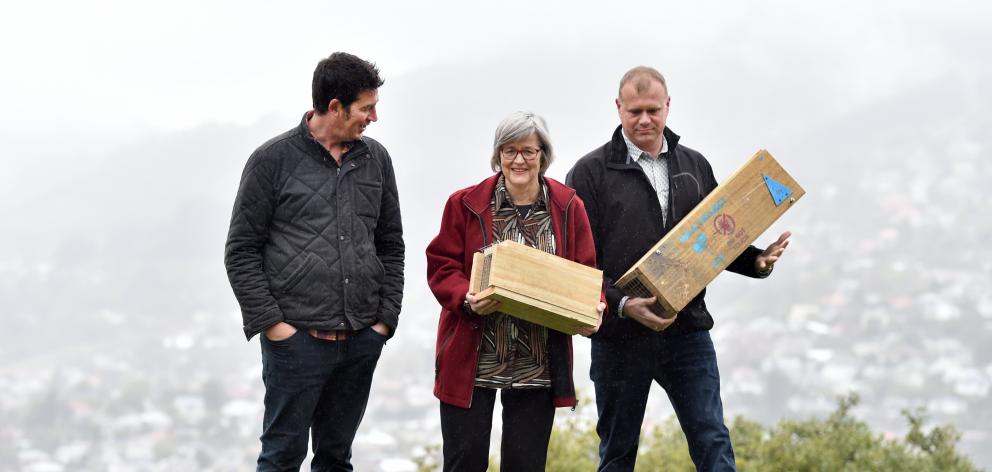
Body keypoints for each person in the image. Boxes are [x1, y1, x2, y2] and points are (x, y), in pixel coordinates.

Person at [566, 66, 791, 472]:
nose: (645, 120)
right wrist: (621, 304)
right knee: (617, 453)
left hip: (687, 331)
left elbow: (719, 238)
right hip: (619, 339)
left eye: (653, 109)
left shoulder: (694, 165)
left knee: (712, 440)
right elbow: (576, 264)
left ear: (668, 106)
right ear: (618, 108)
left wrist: (757, 260)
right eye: (634, 111)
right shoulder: (589, 174)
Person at [224, 52, 404, 472]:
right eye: (366, 107)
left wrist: (384, 322)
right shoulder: (272, 161)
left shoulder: (376, 160)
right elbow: (241, 250)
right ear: (335, 106)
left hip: (361, 338)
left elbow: (391, 245)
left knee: (335, 459)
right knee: (282, 458)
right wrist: (274, 326)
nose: (374, 117)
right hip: (296, 343)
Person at [426, 111, 605, 472]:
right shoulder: (465, 204)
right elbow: (441, 264)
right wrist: (467, 297)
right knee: (463, 463)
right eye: (509, 151)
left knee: (525, 465)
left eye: (528, 151)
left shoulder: (569, 206)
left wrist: (593, 308)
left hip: (537, 364)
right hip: (472, 361)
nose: (518, 160)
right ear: (498, 155)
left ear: (543, 154)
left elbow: (585, 272)